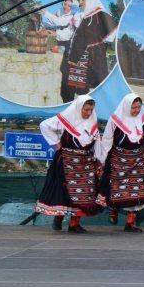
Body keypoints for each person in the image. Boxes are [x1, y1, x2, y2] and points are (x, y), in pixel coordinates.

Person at [35, 94, 102, 232]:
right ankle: (58, 218)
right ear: (78, 108)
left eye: (91, 110)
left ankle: (74, 223)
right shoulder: (65, 120)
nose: (89, 113)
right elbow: (44, 125)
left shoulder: (93, 124)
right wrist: (57, 144)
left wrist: (99, 160)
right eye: (86, 110)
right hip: (67, 161)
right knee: (65, 192)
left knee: (84, 194)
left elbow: (98, 143)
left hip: (86, 163)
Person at [97, 93, 144, 232]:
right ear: (127, 106)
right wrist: (103, 161)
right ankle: (113, 209)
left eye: (139, 107)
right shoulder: (115, 120)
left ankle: (130, 222)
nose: (137, 110)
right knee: (116, 190)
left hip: (139, 160)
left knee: (139, 191)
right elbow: (107, 140)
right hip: (118, 160)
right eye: (133, 107)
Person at [62, 0, 115, 102]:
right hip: (80, 57)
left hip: (93, 56)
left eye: (82, 0)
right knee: (81, 90)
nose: (80, 3)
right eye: (80, 0)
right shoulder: (86, 16)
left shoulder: (100, 15)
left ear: (90, 0)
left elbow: (112, 36)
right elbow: (77, 36)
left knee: (95, 89)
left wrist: (99, 42)